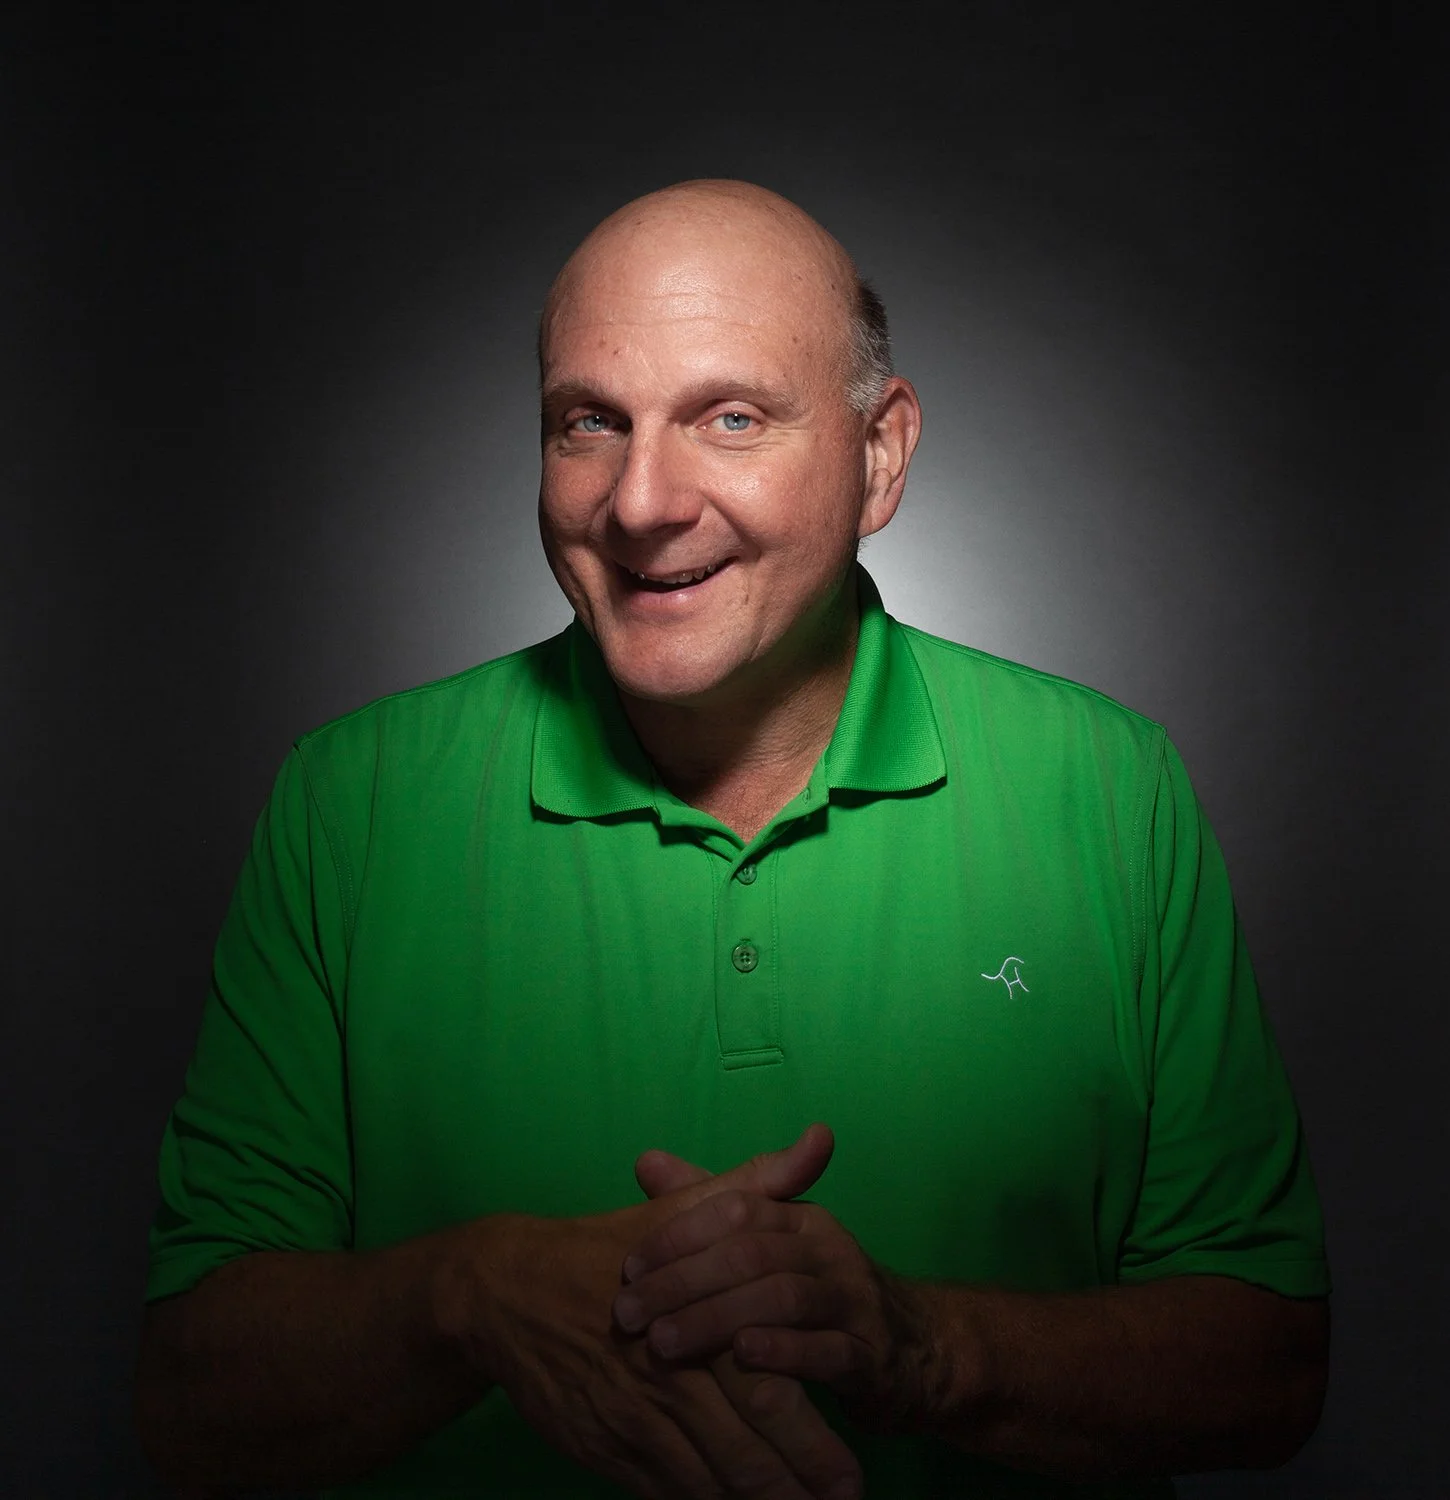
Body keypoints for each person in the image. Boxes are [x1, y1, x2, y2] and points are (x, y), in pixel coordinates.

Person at [134, 179, 1331, 1500]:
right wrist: (468, 1297)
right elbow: (188, 1398)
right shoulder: (350, 804)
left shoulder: (1109, 789)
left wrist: (920, 1349)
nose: (641, 501)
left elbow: (1270, 1369)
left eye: (732, 418)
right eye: (590, 422)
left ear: (881, 456)